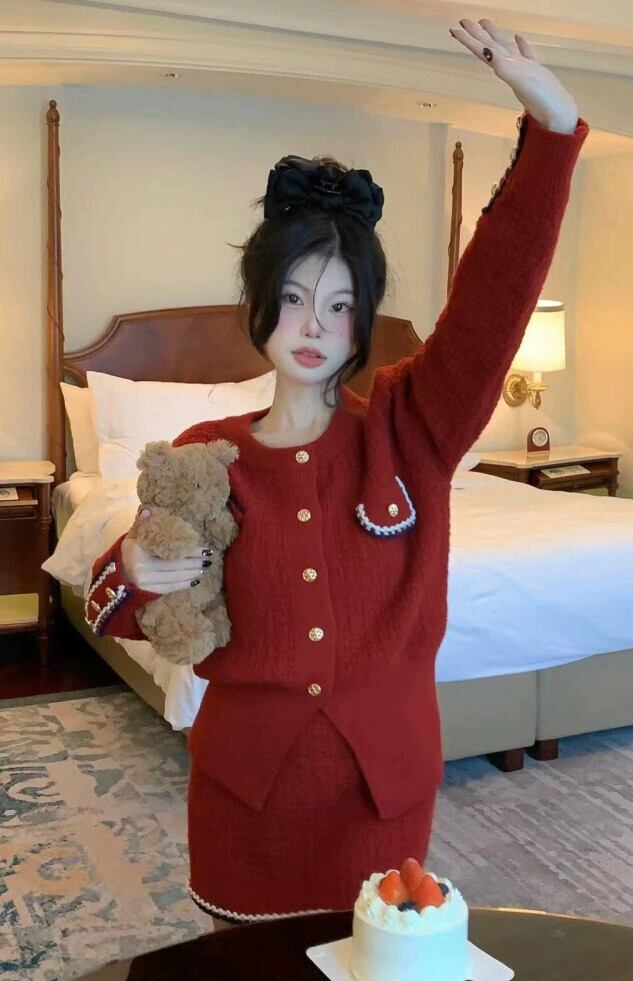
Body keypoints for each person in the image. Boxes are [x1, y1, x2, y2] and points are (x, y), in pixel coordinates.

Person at [86, 16, 589, 931]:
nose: (313, 325)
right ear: (259, 307)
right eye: (291, 299)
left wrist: (552, 136)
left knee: (376, 976)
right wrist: (133, 564)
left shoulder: (411, 426)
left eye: (340, 303)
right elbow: (125, 606)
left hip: (379, 795)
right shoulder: (204, 450)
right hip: (246, 797)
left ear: (363, 319)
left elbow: (492, 306)